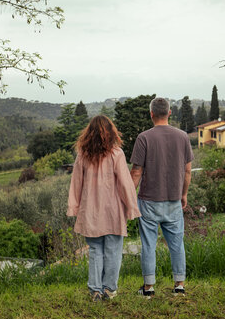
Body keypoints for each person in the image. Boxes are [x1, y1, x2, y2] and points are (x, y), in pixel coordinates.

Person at [67, 115, 141, 302]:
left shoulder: (82, 155)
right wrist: (131, 207)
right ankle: (109, 289)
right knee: (113, 251)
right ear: (111, 132)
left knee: (95, 250)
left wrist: (73, 207)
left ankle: (95, 291)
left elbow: (76, 183)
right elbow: (125, 184)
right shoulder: (117, 154)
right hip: (113, 211)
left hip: (90, 211)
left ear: (89, 133)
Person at [130, 97, 193, 297]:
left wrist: (130, 197)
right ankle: (179, 286)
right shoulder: (183, 136)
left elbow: (136, 172)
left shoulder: (144, 138)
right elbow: (188, 170)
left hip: (148, 200)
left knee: (148, 244)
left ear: (151, 114)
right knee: (177, 244)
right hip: (174, 199)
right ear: (169, 113)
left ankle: (148, 288)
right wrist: (184, 194)